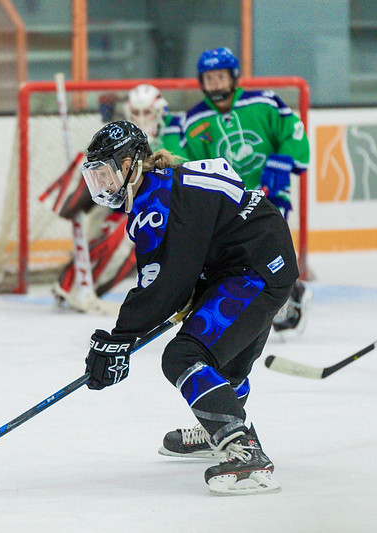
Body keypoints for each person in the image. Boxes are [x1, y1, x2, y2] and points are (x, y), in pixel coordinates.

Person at [81, 120, 298, 495]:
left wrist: (119, 338)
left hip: (253, 268)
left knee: (183, 356)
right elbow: (185, 262)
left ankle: (243, 449)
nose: (102, 185)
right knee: (221, 361)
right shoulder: (163, 183)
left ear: (130, 164)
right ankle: (220, 429)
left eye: (106, 174)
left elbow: (163, 285)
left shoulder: (155, 204)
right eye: (96, 177)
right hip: (255, 258)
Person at [181, 46, 311, 334]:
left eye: (220, 77)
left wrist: (285, 158)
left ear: (234, 77)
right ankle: (256, 304)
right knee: (234, 257)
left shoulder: (264, 102)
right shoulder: (194, 121)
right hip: (228, 202)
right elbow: (192, 165)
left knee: (270, 248)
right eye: (209, 78)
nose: (216, 84)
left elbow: (294, 131)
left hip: (270, 193)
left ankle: (290, 294)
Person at [50, 84, 185, 312]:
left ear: (160, 111)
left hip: (157, 208)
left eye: (147, 112)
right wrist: (79, 196)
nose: (141, 118)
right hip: (121, 205)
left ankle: (84, 286)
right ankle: (73, 283)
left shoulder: (178, 133)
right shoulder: (123, 135)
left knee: (125, 243)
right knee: (101, 232)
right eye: (136, 112)